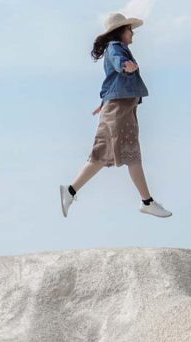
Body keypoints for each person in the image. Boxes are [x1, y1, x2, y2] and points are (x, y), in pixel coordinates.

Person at [59, 12, 172, 218]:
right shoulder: (116, 48)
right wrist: (126, 67)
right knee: (130, 154)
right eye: (130, 30)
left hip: (118, 107)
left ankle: (70, 190)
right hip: (119, 109)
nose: (133, 34)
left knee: (102, 156)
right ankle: (147, 202)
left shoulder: (118, 48)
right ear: (121, 31)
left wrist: (104, 102)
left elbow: (112, 80)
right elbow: (119, 63)